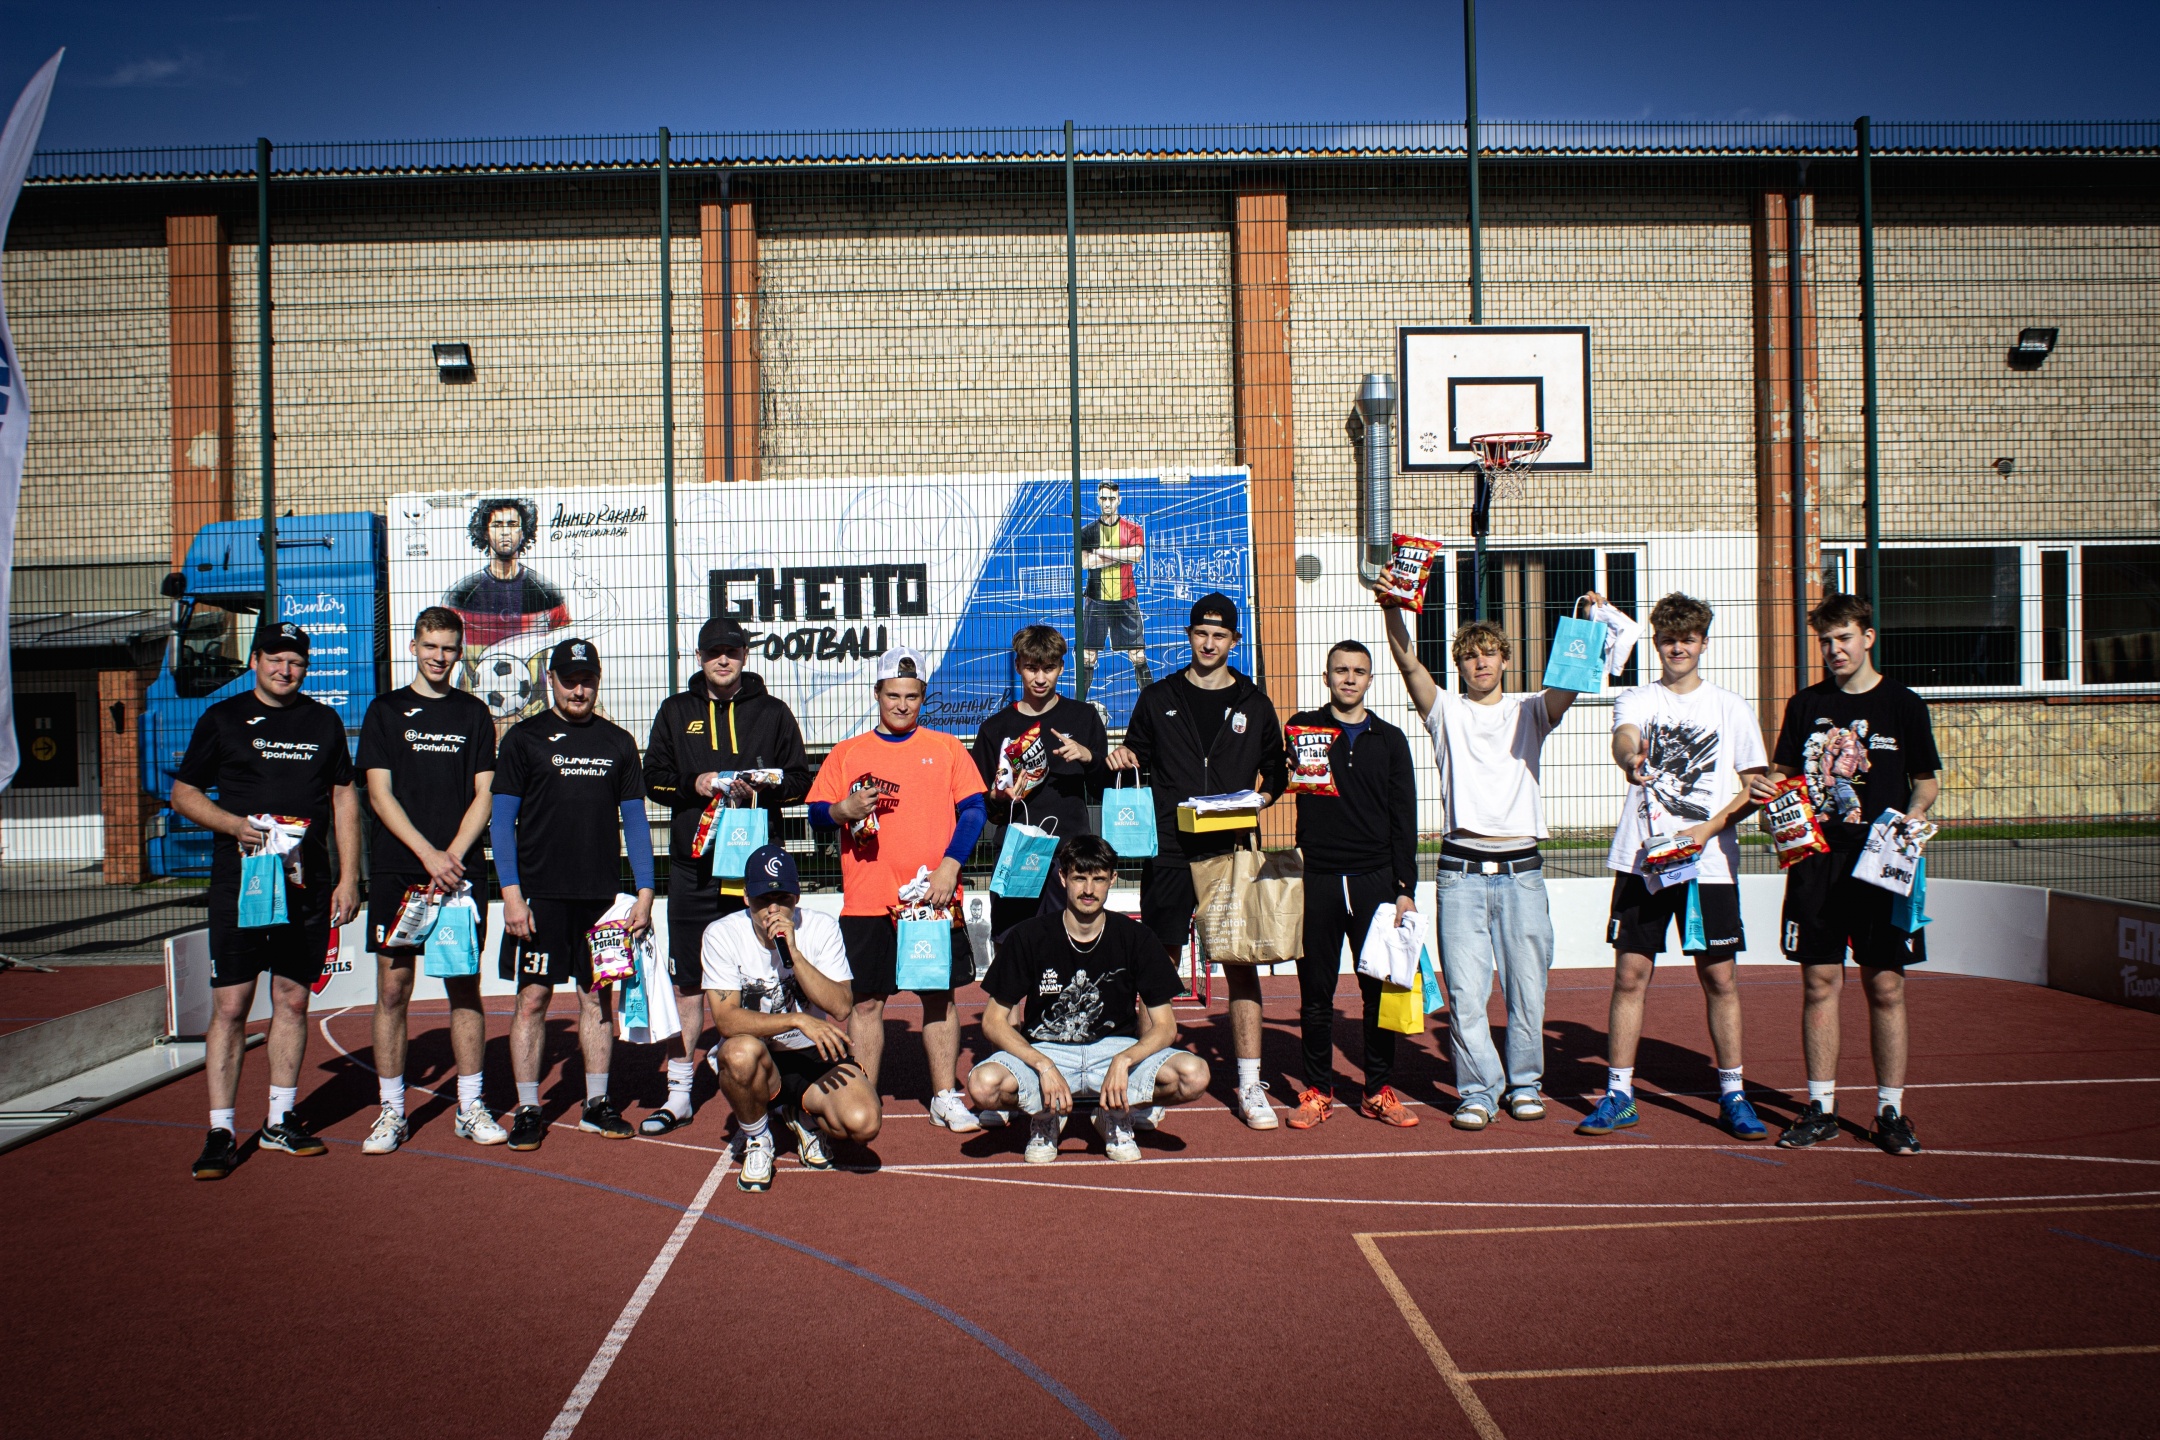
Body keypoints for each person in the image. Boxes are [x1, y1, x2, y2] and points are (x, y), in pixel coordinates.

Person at [1750, 593, 1941, 1155]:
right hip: (1817, 860)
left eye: (1844, 638)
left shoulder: (1904, 705)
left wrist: (1916, 814)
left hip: (1881, 860)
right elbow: (1782, 776)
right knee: (1819, 982)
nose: (1834, 650)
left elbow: (1925, 781)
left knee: (1886, 985)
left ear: (1868, 637)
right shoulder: (1805, 704)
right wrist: (1766, 794)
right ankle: (1821, 1107)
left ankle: (1890, 1112)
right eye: (1826, 641)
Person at [172, 622, 362, 1180]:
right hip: (243, 885)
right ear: (255, 660)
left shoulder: (323, 722)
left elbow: (344, 797)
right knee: (232, 1007)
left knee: (293, 1001)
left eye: (296, 662)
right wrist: (234, 825)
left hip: (308, 886)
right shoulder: (222, 718)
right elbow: (184, 793)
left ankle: (280, 1120)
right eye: (276, 659)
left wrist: (350, 877)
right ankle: (221, 1130)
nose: (285, 670)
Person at [1580, 593, 1770, 1141]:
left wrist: (1707, 830)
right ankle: (1619, 1094)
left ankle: (1733, 1094)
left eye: (1688, 639)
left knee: (1720, 978)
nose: (1678, 648)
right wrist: (1630, 758)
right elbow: (1624, 738)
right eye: (1668, 640)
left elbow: (1755, 785)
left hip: (1708, 864)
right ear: (1657, 644)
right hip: (1643, 859)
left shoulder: (1731, 707)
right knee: (1630, 975)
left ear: (1704, 643)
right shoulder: (1638, 698)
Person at [1384, 606, 1581, 1130]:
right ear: (1459, 665)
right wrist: (1391, 609)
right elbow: (1408, 663)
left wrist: (1587, 626)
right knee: (1467, 995)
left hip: (1522, 873)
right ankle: (1477, 1091)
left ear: (1505, 659)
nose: (1480, 663)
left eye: (1489, 653)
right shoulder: (1445, 710)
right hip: (1460, 873)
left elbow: (1569, 682)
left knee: (1527, 991)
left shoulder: (1532, 709)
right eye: (1470, 656)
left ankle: (1525, 1085)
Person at [1107, 592, 1288, 1130]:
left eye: (1220, 635)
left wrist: (1260, 799)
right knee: (1158, 966)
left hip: (1232, 849)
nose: (1209, 643)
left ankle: (1250, 1085)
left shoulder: (1255, 703)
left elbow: (1276, 770)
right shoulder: (1158, 696)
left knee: (1240, 964)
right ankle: (1147, 1082)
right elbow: (1134, 755)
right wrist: (1123, 756)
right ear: (1189, 636)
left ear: (1234, 641)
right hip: (1169, 848)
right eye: (1201, 633)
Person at [640, 616, 811, 1135]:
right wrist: (696, 783)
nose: (723, 659)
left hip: (757, 873)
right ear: (699, 657)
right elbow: (653, 779)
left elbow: (800, 780)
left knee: (769, 975)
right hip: (694, 870)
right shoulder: (676, 711)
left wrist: (766, 784)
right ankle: (679, 1093)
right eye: (714, 651)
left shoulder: (773, 712)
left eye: (732, 651)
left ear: (744, 656)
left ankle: (773, 1086)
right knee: (689, 983)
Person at [807, 647, 989, 1131]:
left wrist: (950, 866)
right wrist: (842, 811)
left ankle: (944, 1095)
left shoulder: (947, 748)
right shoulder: (848, 752)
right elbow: (816, 813)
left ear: (923, 696)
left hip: (932, 899)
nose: (902, 705)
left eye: (912, 696)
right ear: (877, 694)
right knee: (866, 1004)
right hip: (868, 900)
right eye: (893, 695)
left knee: (938, 998)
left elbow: (974, 810)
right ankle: (863, 1094)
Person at [491, 637, 655, 1151]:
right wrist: (512, 895)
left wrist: (645, 891)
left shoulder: (618, 742)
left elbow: (636, 823)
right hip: (540, 898)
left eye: (587, 680)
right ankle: (528, 1108)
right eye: (569, 680)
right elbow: (500, 823)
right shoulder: (523, 739)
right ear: (551, 681)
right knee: (533, 999)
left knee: (596, 998)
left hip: (600, 899)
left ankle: (597, 1104)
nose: (578, 690)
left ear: (597, 682)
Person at [965, 835, 1211, 1163]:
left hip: (1115, 1049)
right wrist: (1042, 1064)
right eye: (1080, 878)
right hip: (1047, 1050)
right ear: (1062, 877)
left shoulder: (1137, 938)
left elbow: (1165, 1026)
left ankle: (1114, 1112)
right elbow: (993, 1021)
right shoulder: (1029, 936)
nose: (1089, 890)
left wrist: (1125, 1060)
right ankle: (1045, 1115)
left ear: (1113, 879)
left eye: (1098, 879)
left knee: (1194, 1075)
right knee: (983, 1086)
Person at [356, 607, 502, 1153]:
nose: (440, 657)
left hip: (459, 874)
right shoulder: (385, 711)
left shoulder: (473, 712)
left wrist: (453, 856)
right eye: (431, 646)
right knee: (393, 989)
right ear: (413, 647)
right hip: (401, 869)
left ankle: (470, 1106)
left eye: (449, 648)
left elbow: (485, 793)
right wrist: (427, 854)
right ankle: (391, 1112)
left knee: (463, 984)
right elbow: (379, 794)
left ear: (459, 652)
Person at [1283, 641, 1422, 1128]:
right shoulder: (1304, 729)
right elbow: (1276, 774)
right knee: (1316, 996)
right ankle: (1317, 1092)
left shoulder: (1390, 739)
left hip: (1374, 882)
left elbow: (1404, 817)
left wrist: (1405, 888)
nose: (1348, 678)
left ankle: (1377, 1090)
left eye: (1358, 671)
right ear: (1326, 677)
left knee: (1378, 994)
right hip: (1318, 878)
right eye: (1340, 670)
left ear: (1370, 680)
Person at [704, 845, 882, 1191]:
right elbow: (726, 1020)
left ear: (796, 896)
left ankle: (798, 1114)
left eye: (782, 898)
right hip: (759, 1054)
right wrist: (797, 1020)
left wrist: (795, 954)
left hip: (810, 1054)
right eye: (763, 899)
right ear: (746, 898)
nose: (773, 909)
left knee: (864, 1123)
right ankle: (758, 1138)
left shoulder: (821, 927)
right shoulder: (721, 935)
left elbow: (841, 1007)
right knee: (737, 1053)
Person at [970, 623, 1110, 941]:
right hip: (1016, 853)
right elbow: (982, 806)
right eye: (1032, 668)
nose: (1040, 678)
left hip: (1070, 854)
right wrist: (998, 797)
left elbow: (1104, 790)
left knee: (1072, 945)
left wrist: (1089, 758)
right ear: (1018, 665)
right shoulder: (995, 729)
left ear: (1061, 667)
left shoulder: (1083, 718)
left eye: (1049, 668)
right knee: (1013, 945)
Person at [442, 496, 570, 651]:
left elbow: (565, 649)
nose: (505, 532)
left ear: (523, 532)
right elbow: (442, 645)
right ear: (485, 532)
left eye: (512, 524)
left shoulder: (548, 594)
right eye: (497, 525)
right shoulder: (460, 595)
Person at [1076, 480, 1151, 700]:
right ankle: (1078, 706)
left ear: (1119, 500)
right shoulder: (1087, 532)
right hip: (1096, 599)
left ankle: (1151, 704)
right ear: (1098, 500)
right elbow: (1086, 563)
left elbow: (1136, 556)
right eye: (1103, 498)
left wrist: (1102, 552)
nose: (1107, 503)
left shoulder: (1133, 528)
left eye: (1111, 498)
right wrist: (1121, 554)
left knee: (1138, 655)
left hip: (1125, 598)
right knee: (1088, 657)